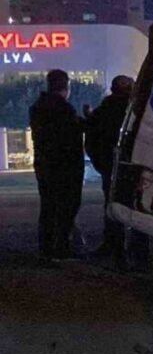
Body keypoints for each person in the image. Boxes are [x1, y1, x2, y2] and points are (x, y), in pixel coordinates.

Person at [29, 69, 85, 263]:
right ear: (66, 86)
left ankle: (47, 248)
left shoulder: (37, 107)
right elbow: (70, 136)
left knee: (48, 208)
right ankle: (60, 248)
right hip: (65, 168)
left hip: (45, 166)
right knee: (65, 208)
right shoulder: (64, 109)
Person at [84, 75, 134, 258]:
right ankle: (137, 251)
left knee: (112, 207)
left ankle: (114, 244)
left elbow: (91, 140)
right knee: (136, 208)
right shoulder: (135, 111)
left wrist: (102, 165)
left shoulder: (103, 111)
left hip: (110, 168)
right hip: (132, 168)